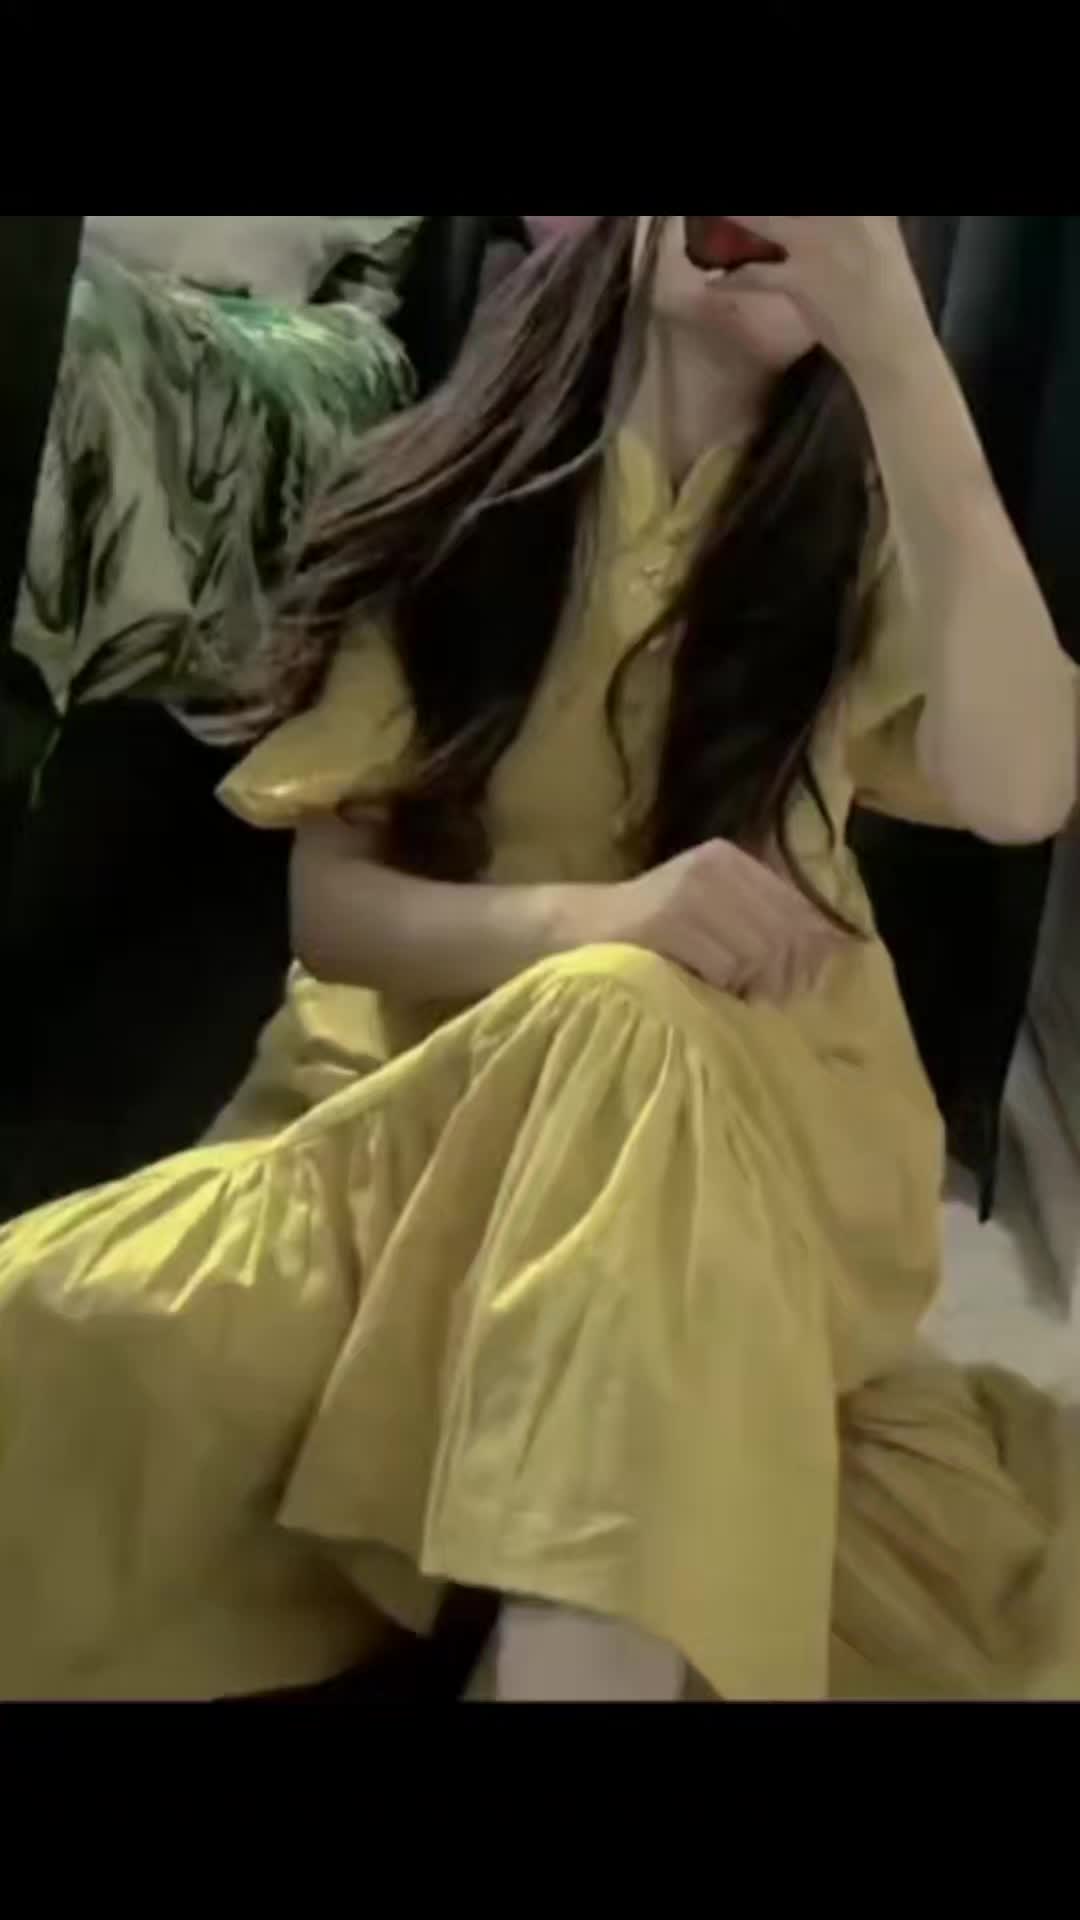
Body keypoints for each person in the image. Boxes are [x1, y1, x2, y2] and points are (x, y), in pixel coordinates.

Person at [2, 215, 1078, 1703]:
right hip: (405, 1147)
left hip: (749, 1168)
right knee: (58, 1354)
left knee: (641, 1030)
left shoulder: (865, 535)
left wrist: (898, 349)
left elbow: (1024, 789)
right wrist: (605, 925)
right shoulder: (452, 496)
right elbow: (332, 908)